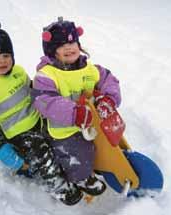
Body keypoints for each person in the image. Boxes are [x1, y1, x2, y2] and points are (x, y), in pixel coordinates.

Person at [0, 20, 84, 205]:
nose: (2, 61)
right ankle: (57, 185)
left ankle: (76, 167)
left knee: (63, 135)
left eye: (5, 55)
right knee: (40, 151)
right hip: (18, 137)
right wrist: (3, 151)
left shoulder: (18, 72)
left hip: (38, 122)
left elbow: (34, 93)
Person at [33, 17, 122, 196]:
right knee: (79, 152)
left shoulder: (90, 69)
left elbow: (109, 80)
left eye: (73, 42)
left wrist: (109, 100)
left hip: (91, 123)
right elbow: (45, 101)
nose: (69, 47)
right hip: (65, 130)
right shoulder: (46, 75)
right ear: (52, 51)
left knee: (105, 140)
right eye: (61, 44)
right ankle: (80, 177)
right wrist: (74, 114)